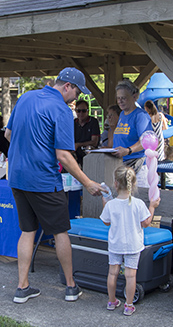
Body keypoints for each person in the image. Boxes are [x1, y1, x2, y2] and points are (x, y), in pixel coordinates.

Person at [6, 67, 103, 304]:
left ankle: (22, 287)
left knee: (27, 231)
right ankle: (71, 287)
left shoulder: (26, 97)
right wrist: (88, 182)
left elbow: (8, 135)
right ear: (67, 86)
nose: (77, 98)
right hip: (43, 181)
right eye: (77, 92)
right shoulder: (61, 109)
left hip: (17, 178)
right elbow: (64, 156)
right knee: (60, 232)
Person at [100, 165, 159, 316]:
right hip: (133, 244)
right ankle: (128, 305)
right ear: (134, 184)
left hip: (115, 244)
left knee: (112, 273)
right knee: (131, 276)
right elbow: (146, 223)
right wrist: (152, 207)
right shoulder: (138, 204)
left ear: (115, 183)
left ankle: (112, 301)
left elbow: (106, 222)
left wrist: (104, 201)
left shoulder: (111, 204)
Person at [111, 79, 152, 172]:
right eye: (118, 98)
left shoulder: (141, 116)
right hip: (121, 164)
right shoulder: (122, 114)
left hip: (137, 165)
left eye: (124, 98)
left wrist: (128, 150)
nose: (120, 101)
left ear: (134, 97)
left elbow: (147, 141)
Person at [73, 99, 100, 167]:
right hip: (76, 155)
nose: (81, 113)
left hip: (89, 154)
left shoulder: (93, 122)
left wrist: (78, 144)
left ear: (88, 111)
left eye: (84, 111)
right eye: (78, 111)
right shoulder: (73, 123)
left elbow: (94, 142)